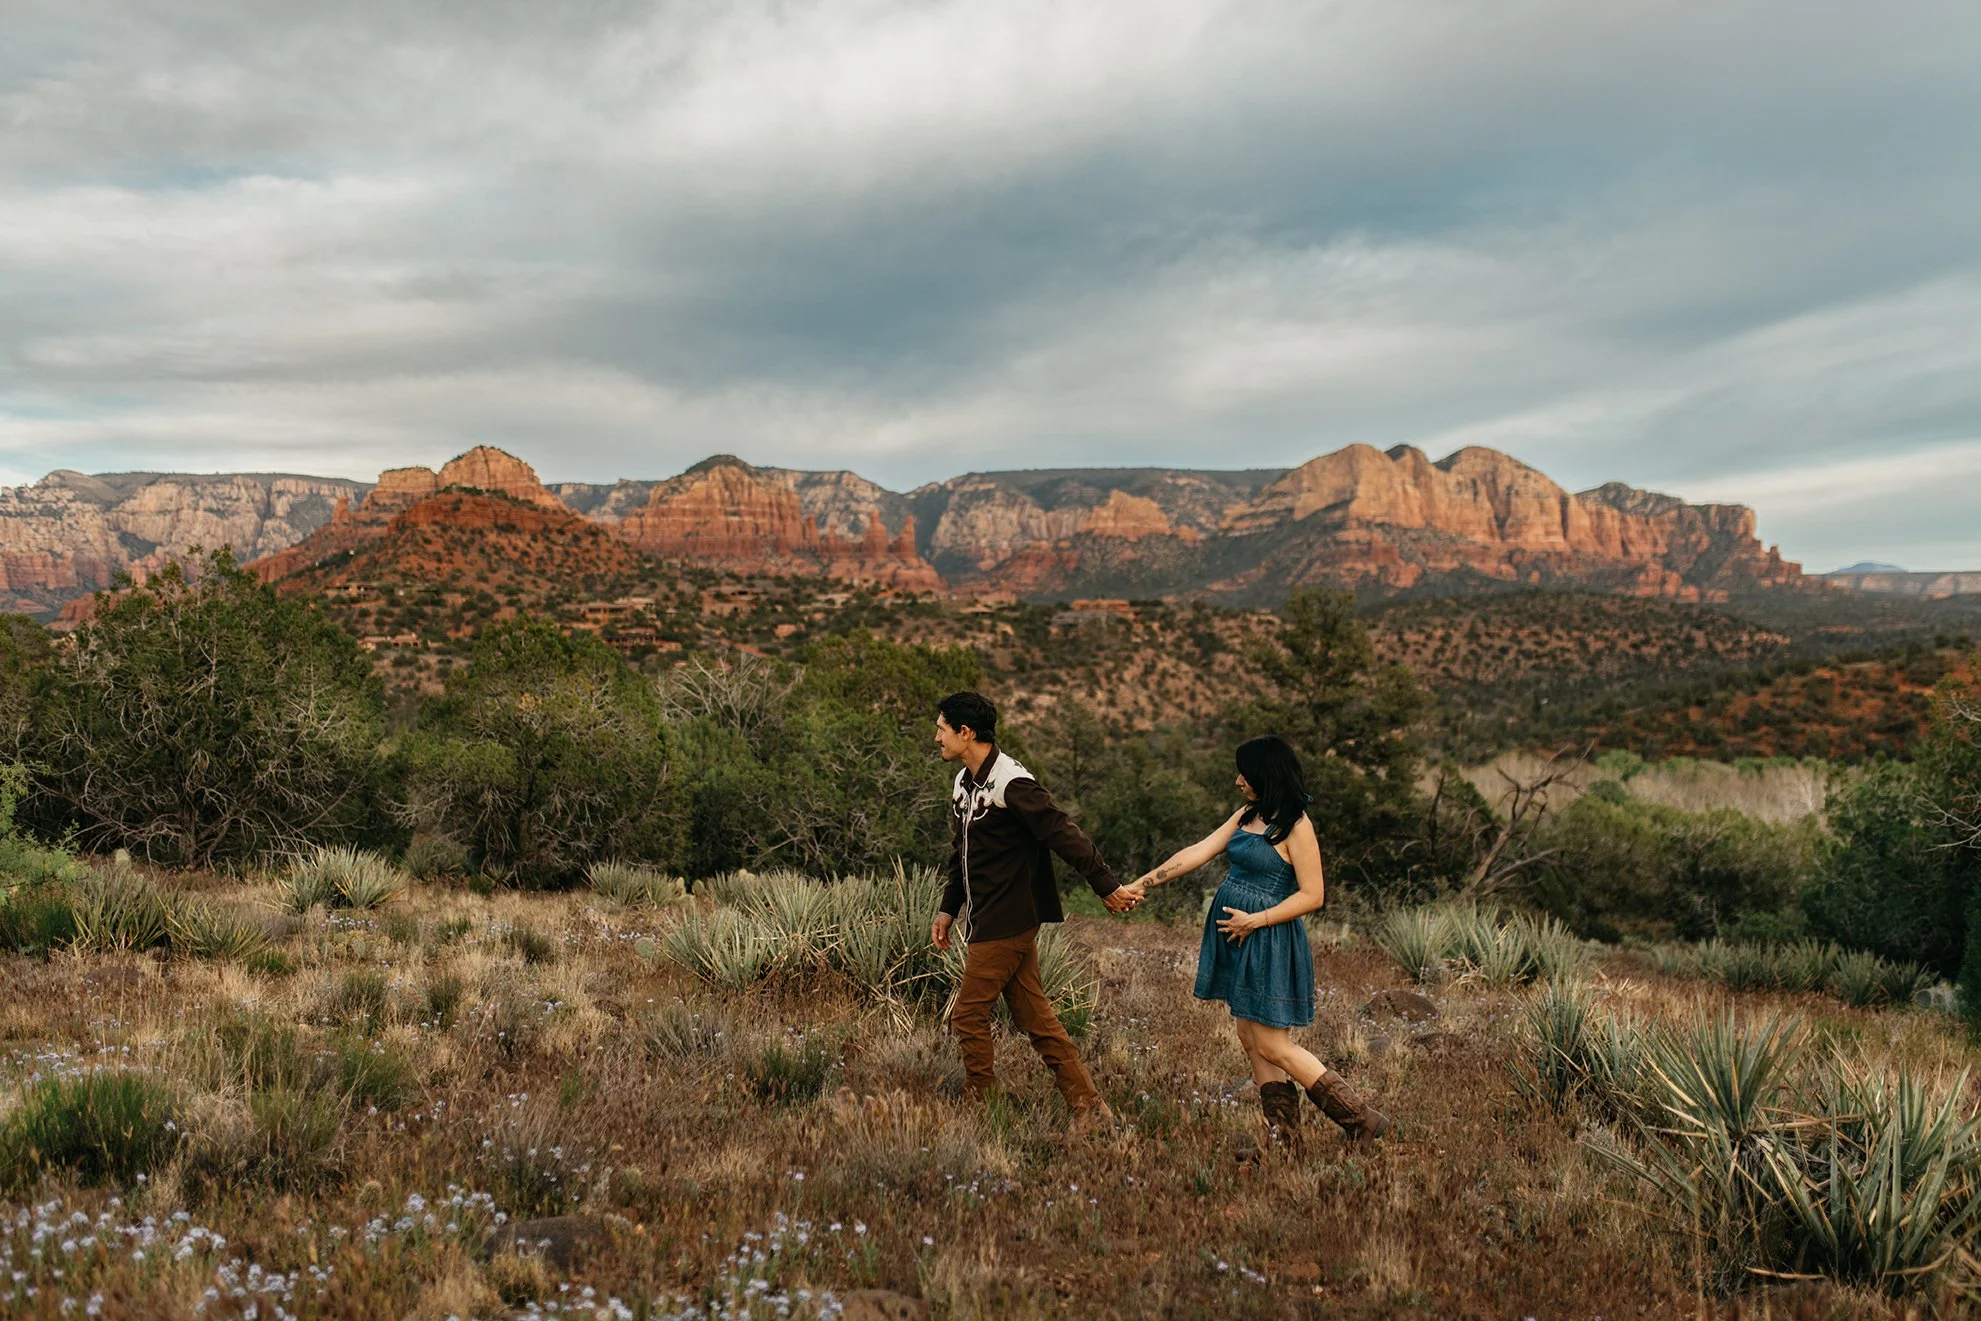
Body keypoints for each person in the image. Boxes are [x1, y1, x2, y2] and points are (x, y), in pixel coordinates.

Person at [1122, 735, 1390, 1150]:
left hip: (1268, 940)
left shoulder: (1297, 826)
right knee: (1250, 1038)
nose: (1237, 781)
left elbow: (1313, 895)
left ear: (1265, 774)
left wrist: (1256, 921)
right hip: (1239, 938)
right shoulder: (1249, 814)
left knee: (1271, 1043)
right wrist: (1141, 884)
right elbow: (1199, 851)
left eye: (1244, 773)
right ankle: (1285, 1139)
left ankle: (1360, 1118)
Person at [932, 691, 1138, 1137]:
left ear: (966, 733)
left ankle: (984, 1112)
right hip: (985, 916)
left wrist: (1107, 885)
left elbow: (1063, 832)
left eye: (942, 730)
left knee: (967, 1016)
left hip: (1010, 918)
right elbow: (961, 852)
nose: (937, 739)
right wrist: (950, 907)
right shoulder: (964, 783)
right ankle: (1091, 1108)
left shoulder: (1011, 781)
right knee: (1033, 1016)